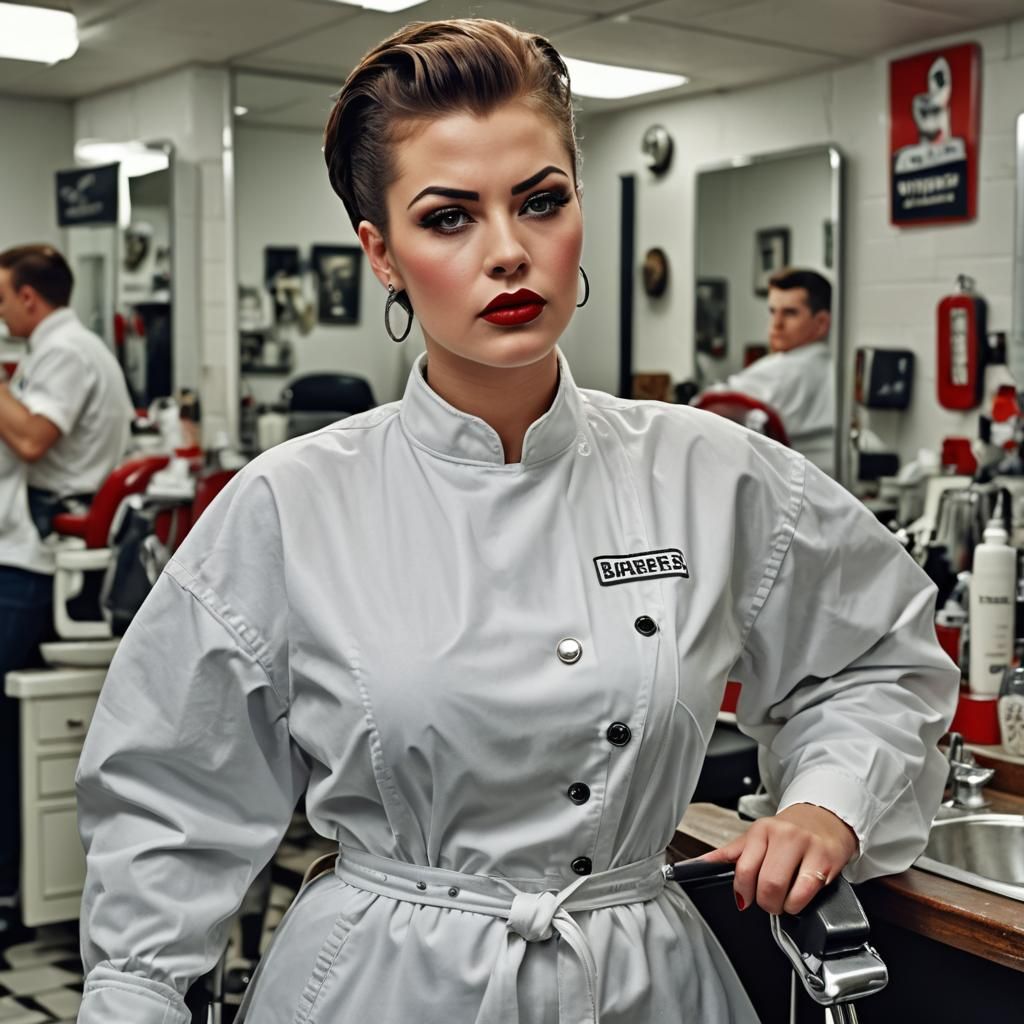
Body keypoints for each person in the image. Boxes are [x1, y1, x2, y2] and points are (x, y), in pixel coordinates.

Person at [75, 19, 958, 1024]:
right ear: (382, 253)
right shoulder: (293, 504)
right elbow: (168, 804)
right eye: (448, 218)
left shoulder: (712, 473)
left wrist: (825, 799)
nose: (508, 252)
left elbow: (876, 661)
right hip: (381, 983)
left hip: (642, 978)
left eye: (540, 202)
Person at [0, 244, 134, 917]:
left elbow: (30, 440)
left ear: (30, 298)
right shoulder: (71, 349)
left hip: (42, 558)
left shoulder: (65, 353)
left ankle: (1, 884)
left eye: (1, 299)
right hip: (42, 545)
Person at [713, 267, 835, 474]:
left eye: (790, 313)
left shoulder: (785, 368)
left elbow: (705, 408)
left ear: (822, 323)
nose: (776, 324)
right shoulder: (835, 368)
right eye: (772, 311)